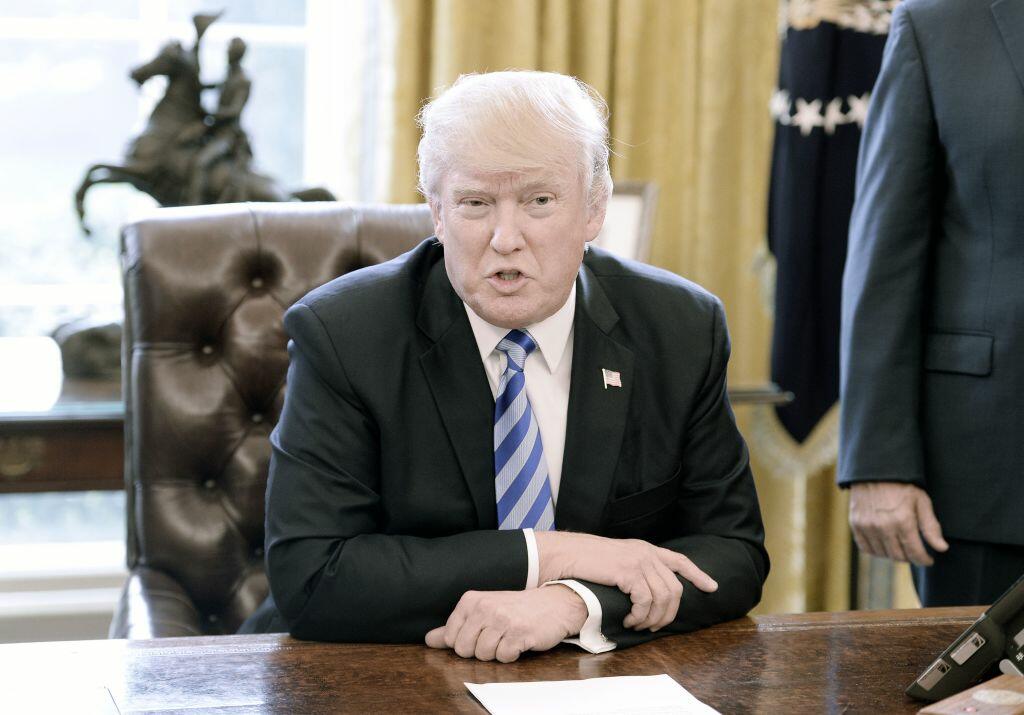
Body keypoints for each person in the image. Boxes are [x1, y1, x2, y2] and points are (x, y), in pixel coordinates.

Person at [241, 70, 768, 661]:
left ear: (595, 209)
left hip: (597, 682)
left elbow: (732, 551)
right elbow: (313, 576)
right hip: (380, 669)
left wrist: (575, 601)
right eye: (475, 204)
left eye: (539, 201)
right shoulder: (344, 335)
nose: (505, 238)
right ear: (437, 213)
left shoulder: (679, 329)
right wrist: (557, 555)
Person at [840, 0, 1024, 607]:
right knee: (978, 700)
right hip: (990, 467)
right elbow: (886, 257)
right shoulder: (940, 23)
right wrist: (878, 461)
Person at [185, 37, 252, 204]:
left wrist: (212, 115)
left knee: (201, 163)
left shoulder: (243, 80)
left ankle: (193, 210)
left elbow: (234, 111)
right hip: (214, 131)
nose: (227, 54)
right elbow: (205, 86)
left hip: (227, 136)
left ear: (237, 55)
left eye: (230, 52)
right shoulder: (228, 76)